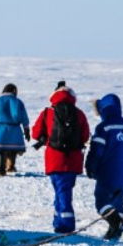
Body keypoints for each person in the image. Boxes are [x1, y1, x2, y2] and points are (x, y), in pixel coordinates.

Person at [32, 81, 90, 233]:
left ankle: (65, 225)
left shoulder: (47, 112)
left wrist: (47, 137)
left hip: (54, 159)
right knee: (64, 191)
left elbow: (35, 134)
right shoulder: (79, 113)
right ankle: (60, 223)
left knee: (61, 192)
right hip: (73, 160)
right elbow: (85, 136)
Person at [85, 94, 123, 240]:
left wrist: (90, 166)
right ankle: (115, 231)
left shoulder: (104, 128)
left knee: (102, 201)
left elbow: (96, 150)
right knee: (118, 201)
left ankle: (117, 223)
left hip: (108, 173)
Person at [0, 83, 31, 175]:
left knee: (1, 150)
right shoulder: (18, 102)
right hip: (15, 129)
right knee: (13, 149)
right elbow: (24, 116)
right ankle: (11, 166)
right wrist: (26, 129)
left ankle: (1, 169)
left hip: (1, 129)